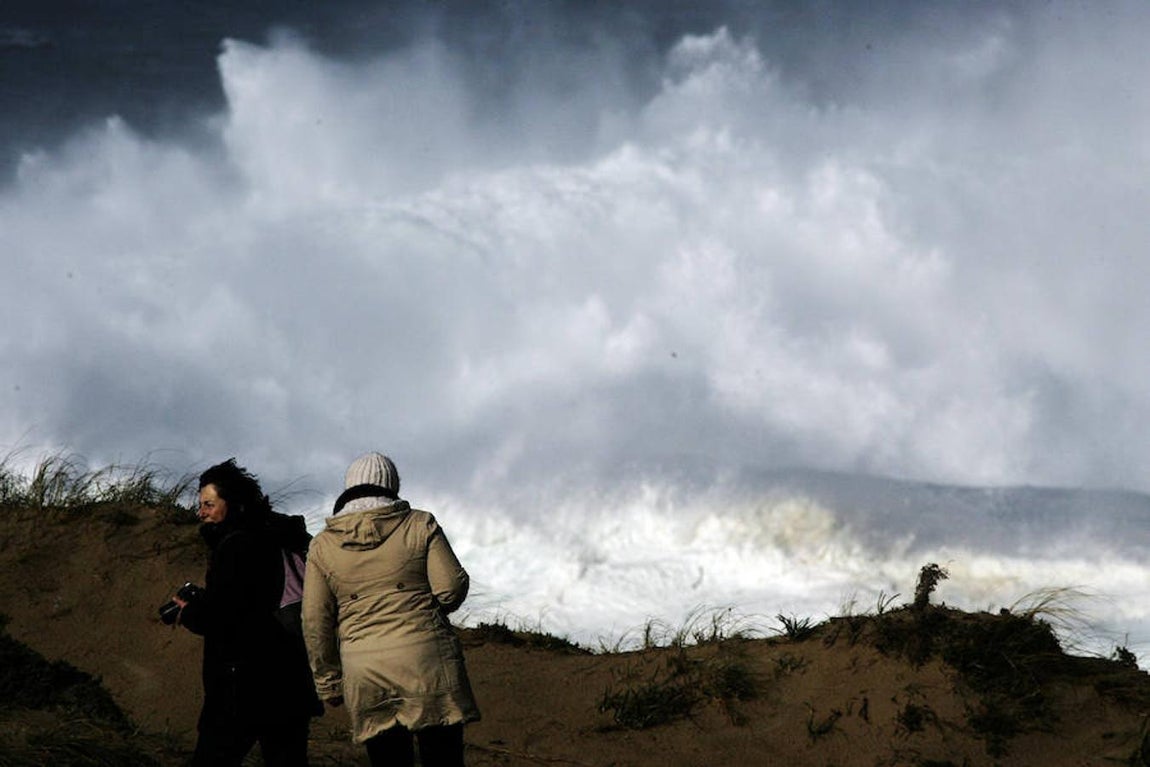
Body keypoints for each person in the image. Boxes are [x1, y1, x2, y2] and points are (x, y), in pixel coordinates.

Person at [302, 452, 480, 767]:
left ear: (349, 487)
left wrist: (328, 681)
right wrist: (425, 612)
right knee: (443, 758)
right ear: (392, 485)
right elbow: (451, 587)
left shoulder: (322, 545)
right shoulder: (420, 523)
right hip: (427, 663)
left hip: (364, 671)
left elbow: (315, 619)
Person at [172, 459, 323, 766]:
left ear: (233, 503)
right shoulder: (282, 536)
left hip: (242, 686)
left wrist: (189, 612)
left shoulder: (236, 546)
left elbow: (225, 616)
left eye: (209, 504)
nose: (201, 513)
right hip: (290, 682)